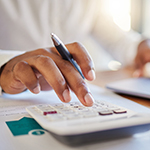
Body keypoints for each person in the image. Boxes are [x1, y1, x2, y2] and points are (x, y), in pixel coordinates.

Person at [0, 0, 149, 106]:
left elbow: (116, 39)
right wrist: (4, 65)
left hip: (71, 97)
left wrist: (140, 47)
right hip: (12, 97)